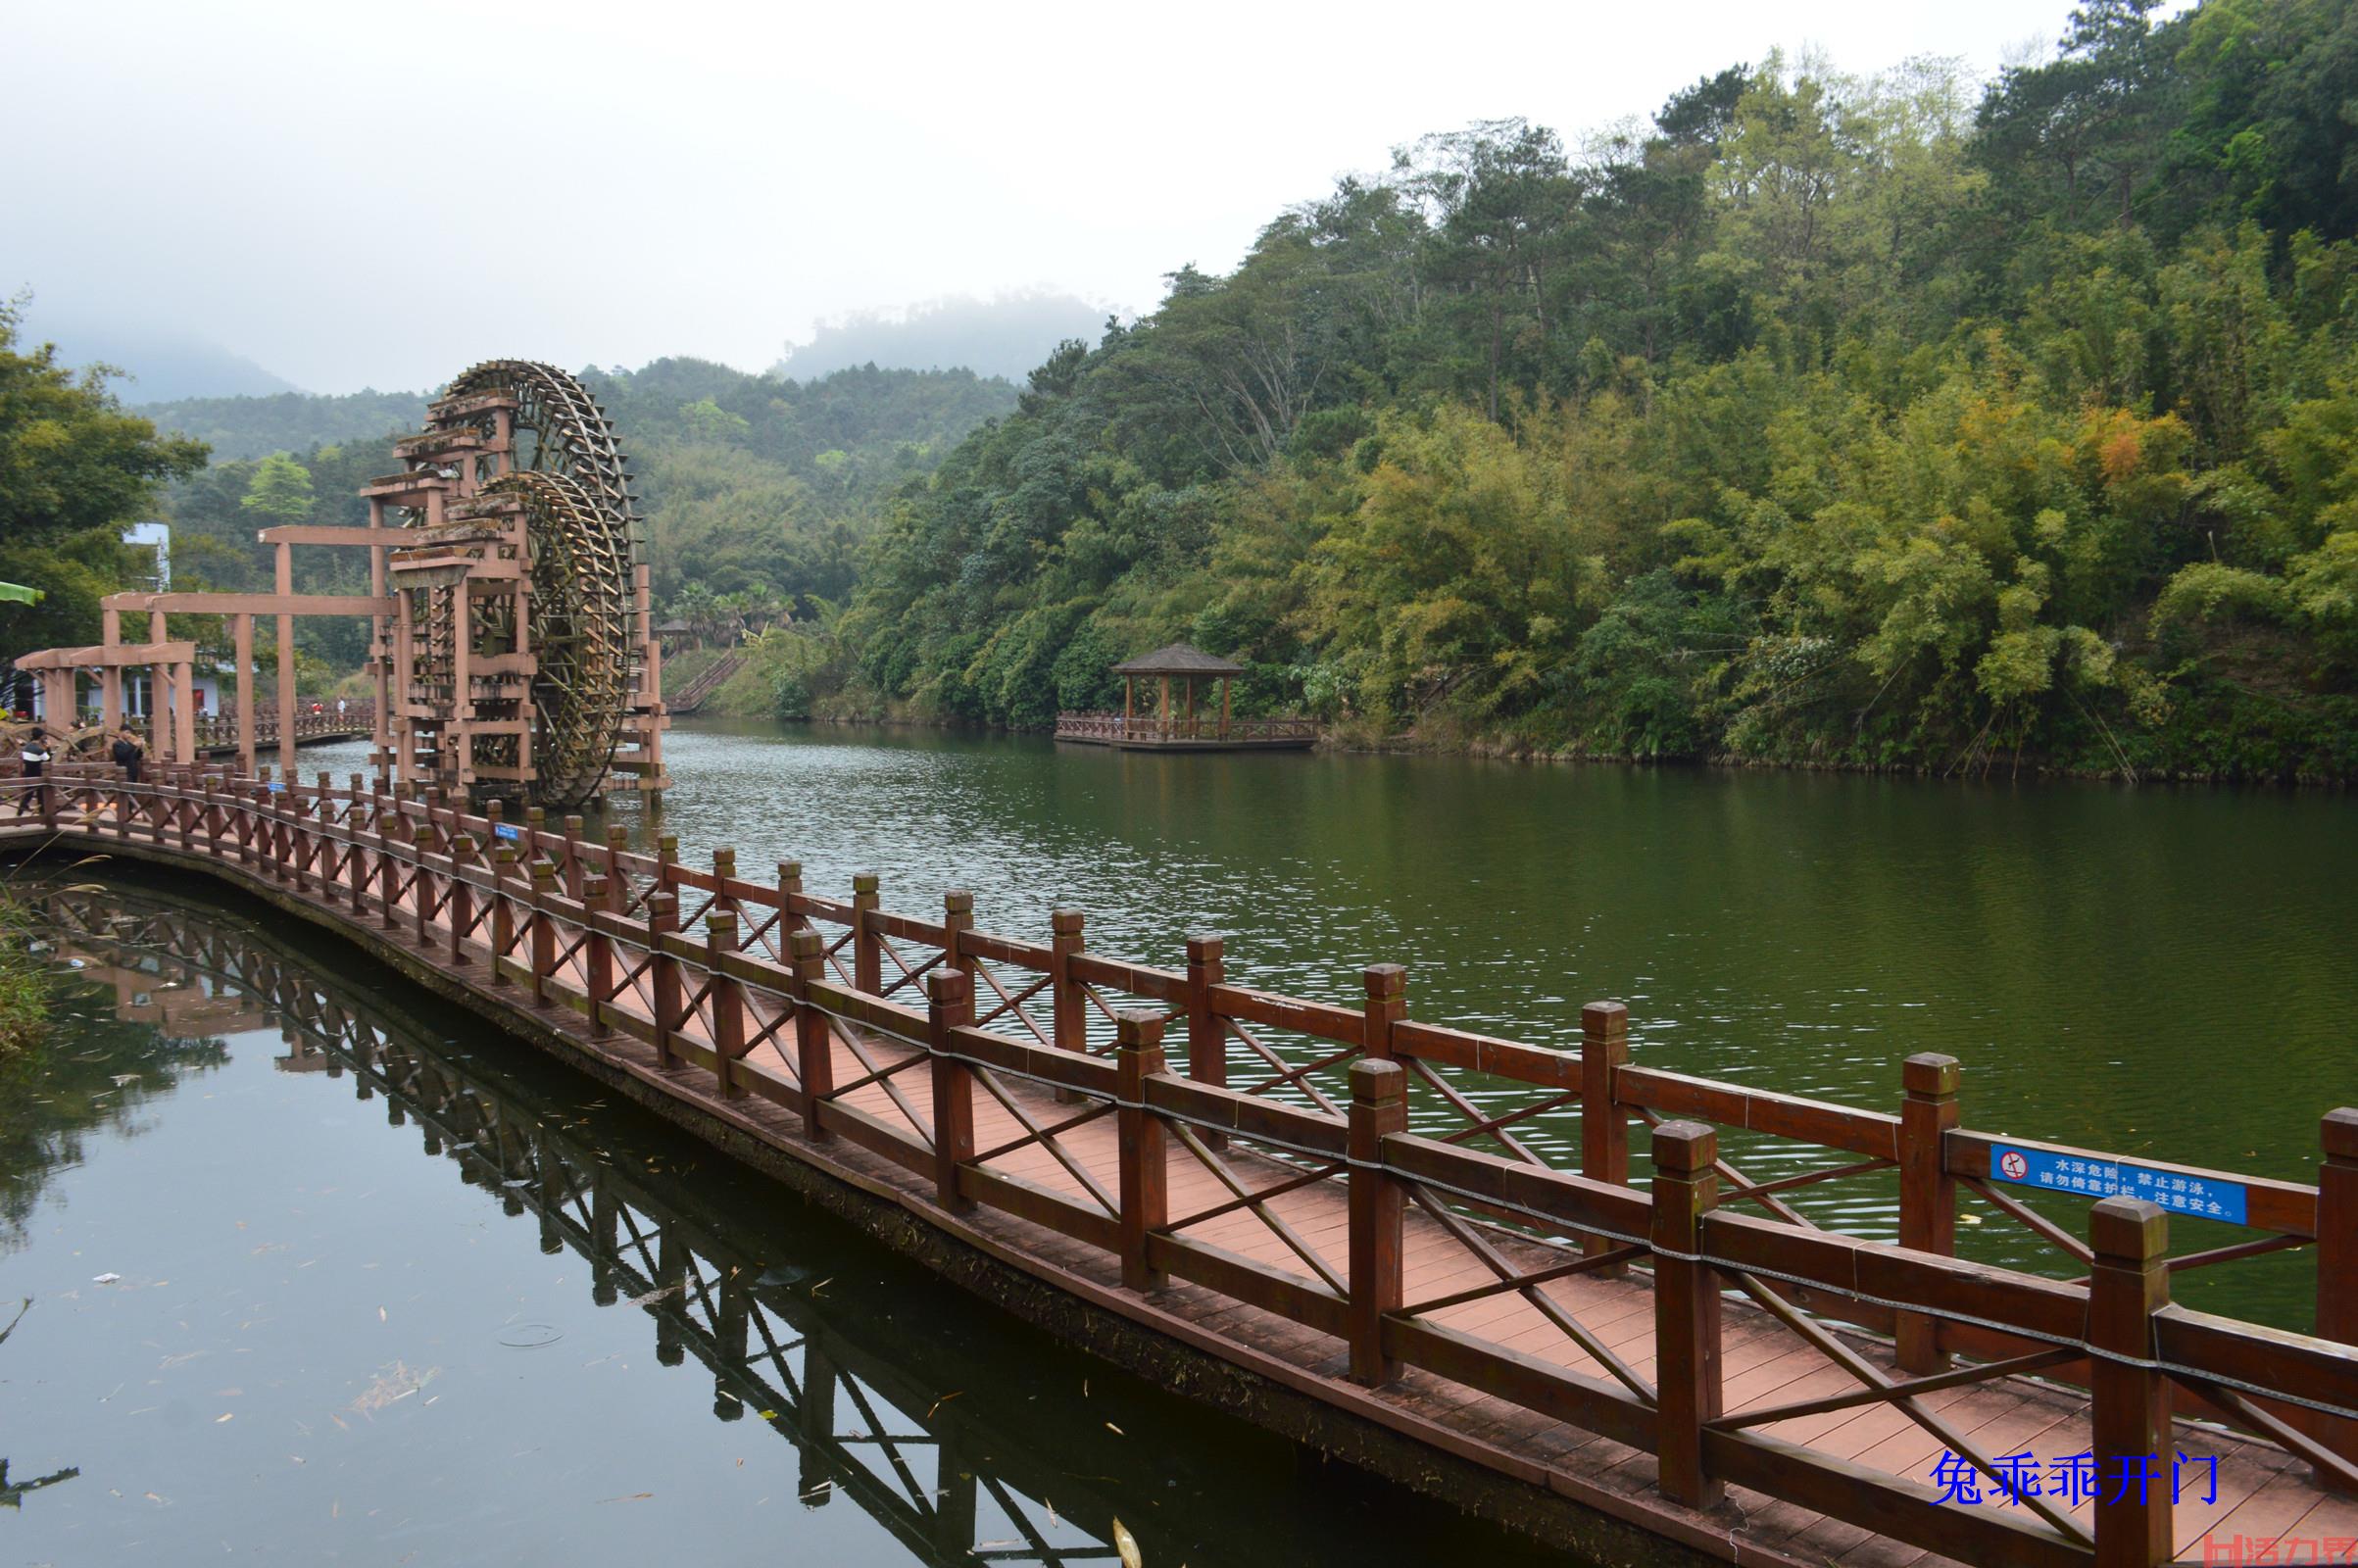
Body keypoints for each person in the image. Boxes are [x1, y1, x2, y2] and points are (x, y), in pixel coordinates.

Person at [16, 727, 51, 816]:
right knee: (40, 795)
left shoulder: (26, 747)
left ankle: (19, 815)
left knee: (28, 796)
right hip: (38, 775)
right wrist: (48, 748)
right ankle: (42, 815)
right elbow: (48, 759)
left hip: (28, 774)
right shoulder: (38, 750)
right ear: (41, 737)